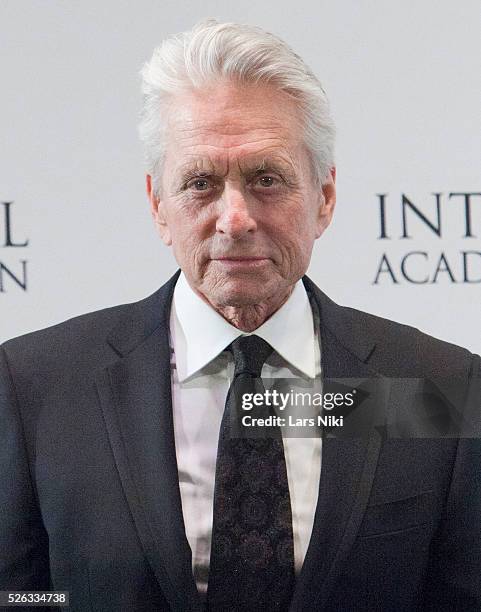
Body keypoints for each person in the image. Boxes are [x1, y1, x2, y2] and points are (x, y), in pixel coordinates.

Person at [1, 18, 480, 612]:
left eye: (266, 179)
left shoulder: (437, 386)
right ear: (158, 204)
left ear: (324, 199)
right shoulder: (35, 387)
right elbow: (17, 596)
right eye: (201, 183)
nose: (235, 219)